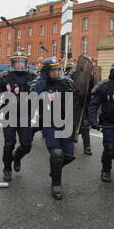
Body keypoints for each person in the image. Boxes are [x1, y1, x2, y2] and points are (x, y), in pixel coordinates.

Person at [31, 57, 76, 200]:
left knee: (68, 156)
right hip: (49, 124)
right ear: (46, 72)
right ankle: (56, 184)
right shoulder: (39, 83)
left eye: (58, 70)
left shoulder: (67, 83)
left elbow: (77, 101)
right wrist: (43, 78)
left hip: (66, 123)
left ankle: (54, 170)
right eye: (52, 71)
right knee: (57, 154)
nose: (56, 73)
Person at [0, 52, 37, 181]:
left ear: (26, 63)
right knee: (9, 144)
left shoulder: (32, 76)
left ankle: (17, 157)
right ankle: (7, 168)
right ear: (12, 63)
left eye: (22, 62)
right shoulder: (4, 77)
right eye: (17, 62)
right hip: (9, 115)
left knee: (27, 145)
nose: (20, 64)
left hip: (25, 115)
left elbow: (40, 91)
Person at [68, 63, 93, 156]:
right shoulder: (72, 74)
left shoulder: (91, 76)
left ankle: (87, 146)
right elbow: (69, 86)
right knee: (73, 124)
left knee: (85, 125)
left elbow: (93, 89)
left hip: (85, 104)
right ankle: (69, 142)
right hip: (74, 103)